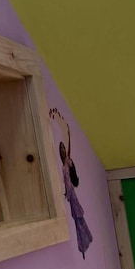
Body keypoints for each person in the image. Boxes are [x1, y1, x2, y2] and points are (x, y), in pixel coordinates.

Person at [50, 108, 92, 259]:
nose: (62, 150)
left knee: (79, 217)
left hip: (72, 194)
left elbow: (72, 179)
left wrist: (62, 123)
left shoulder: (68, 162)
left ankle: (84, 244)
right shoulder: (62, 166)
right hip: (69, 195)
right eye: (60, 148)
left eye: (63, 148)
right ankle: (82, 246)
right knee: (76, 219)